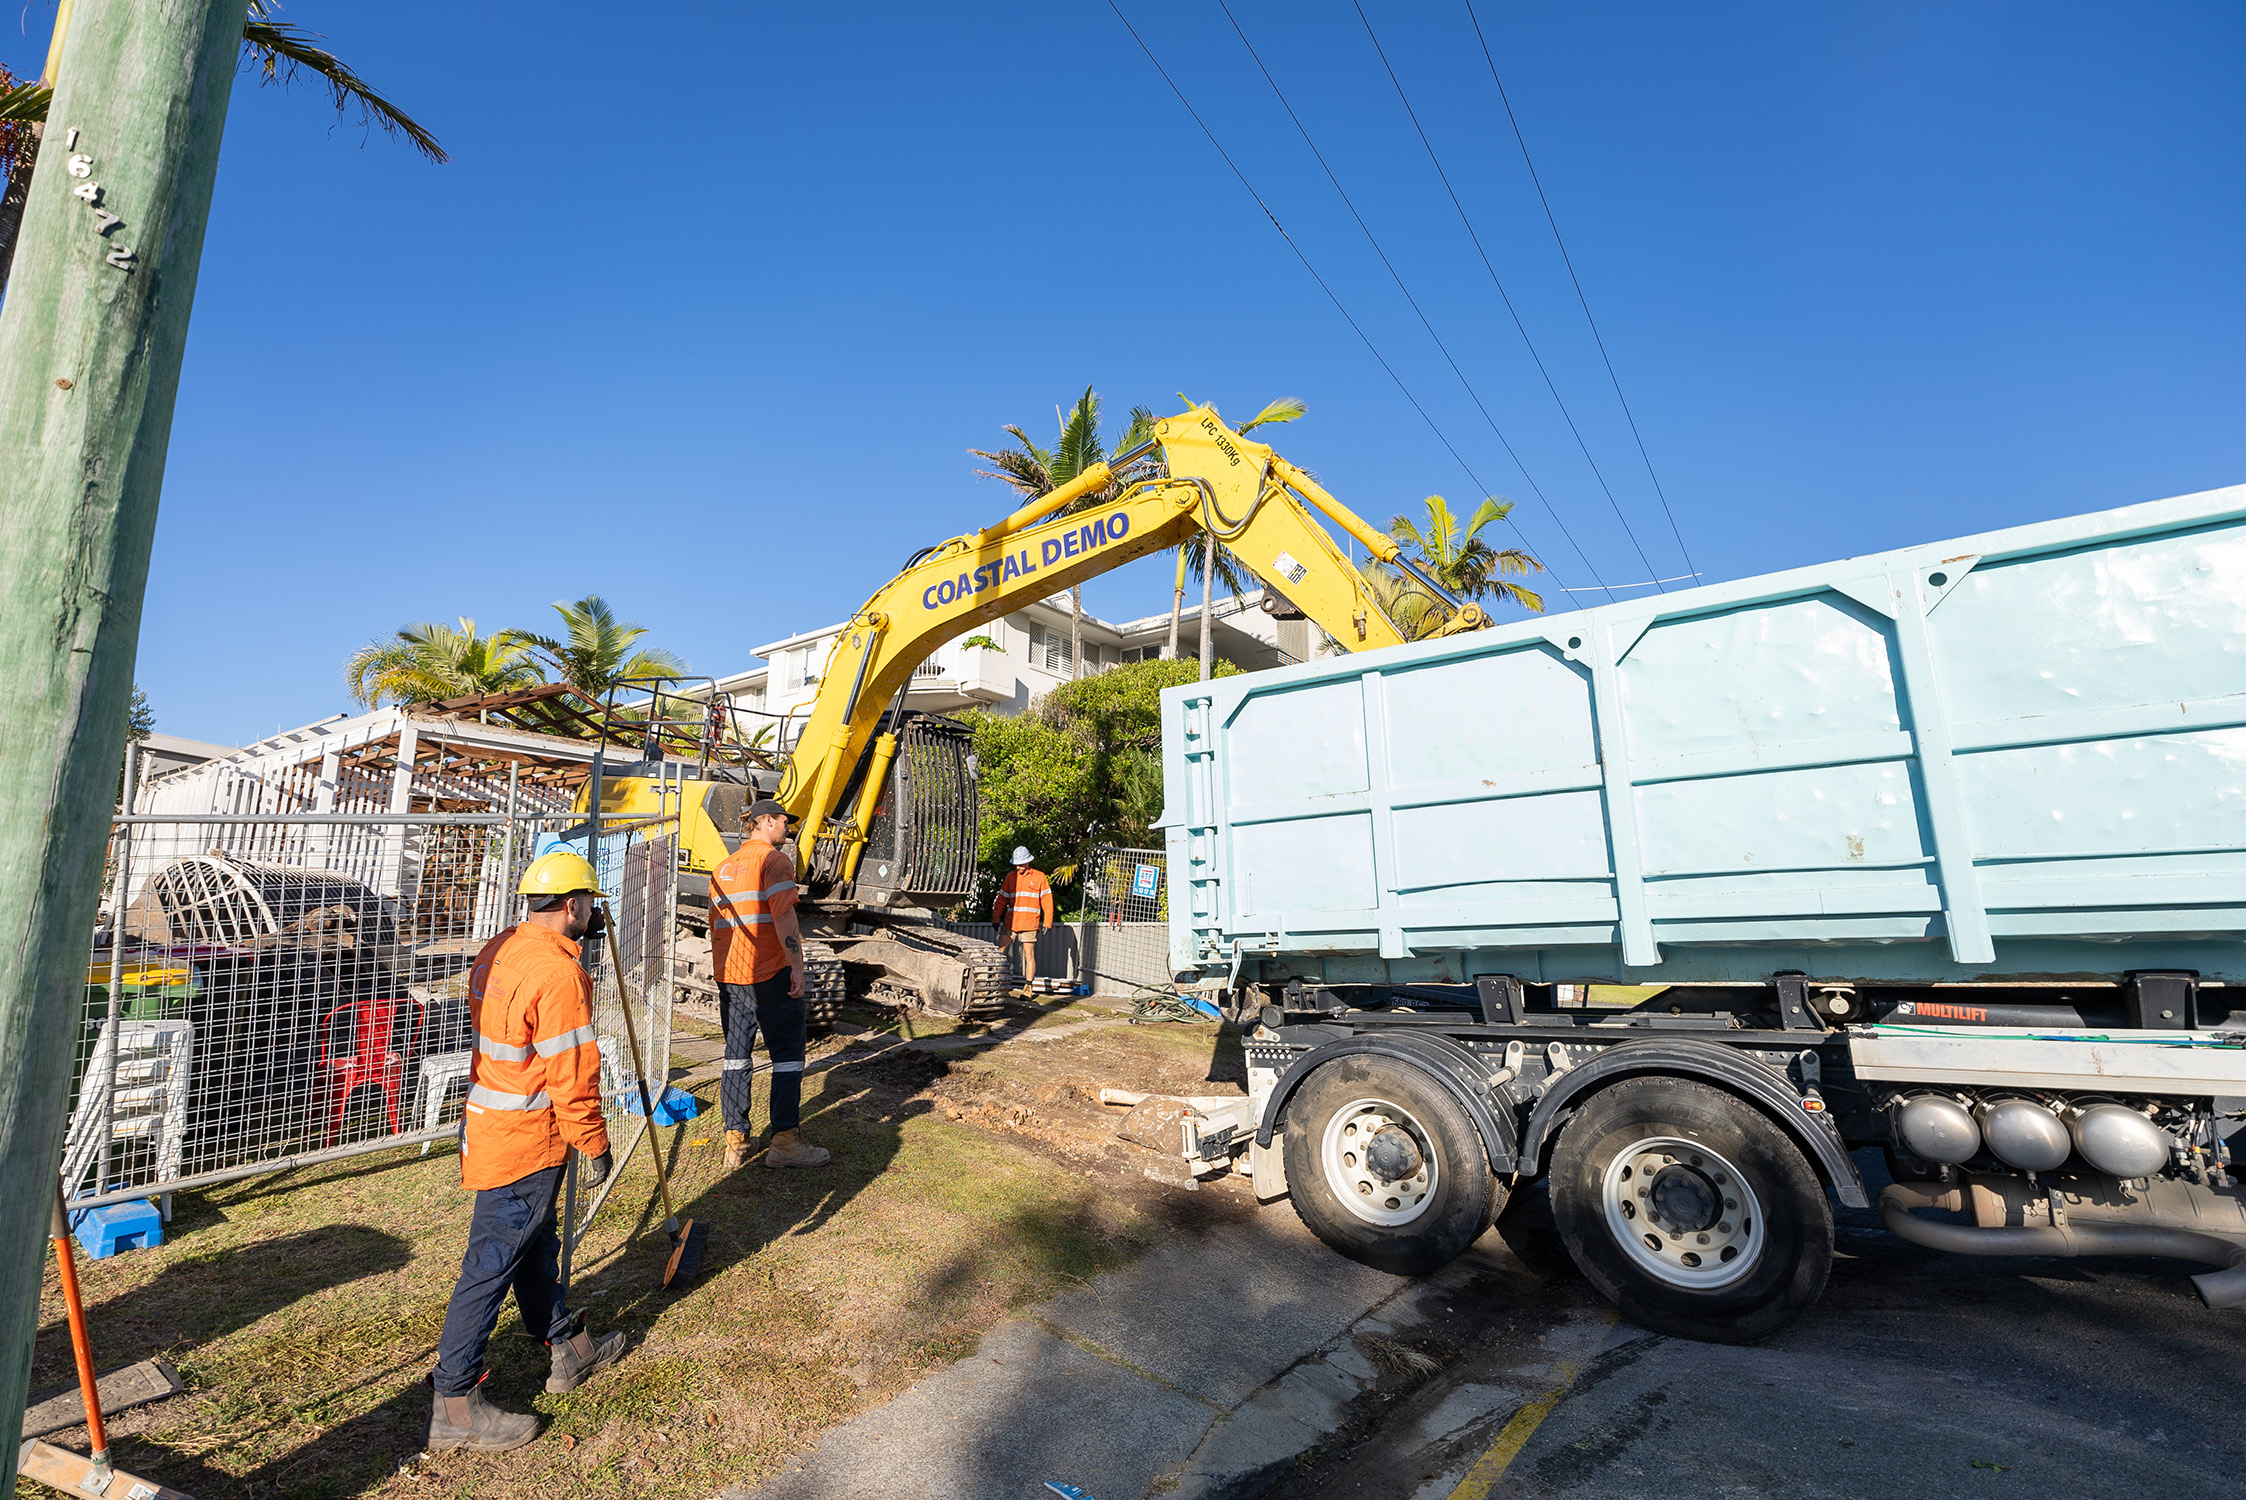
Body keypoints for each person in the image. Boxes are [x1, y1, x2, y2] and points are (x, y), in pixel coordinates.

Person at [427, 849, 627, 1452]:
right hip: (527, 1140)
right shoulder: (560, 975)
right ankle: (455, 1405)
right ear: (572, 906)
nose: (593, 914)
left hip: (490, 1121)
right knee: (491, 1264)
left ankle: (565, 1342)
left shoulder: (498, 951)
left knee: (536, 1241)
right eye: (589, 905)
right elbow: (570, 1071)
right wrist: (592, 1142)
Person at [710, 799, 829, 1171]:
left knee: (735, 1056)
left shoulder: (723, 866)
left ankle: (736, 1140)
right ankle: (785, 1141)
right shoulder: (775, 861)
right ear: (765, 823)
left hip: (732, 975)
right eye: (783, 821)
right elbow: (784, 916)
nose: (788, 828)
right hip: (769, 972)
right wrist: (797, 966)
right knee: (788, 1058)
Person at [992, 846, 1054, 997]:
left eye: (1020, 864)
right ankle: (996, 984)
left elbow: (1047, 900)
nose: (1018, 867)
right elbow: (1001, 899)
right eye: (1016, 864)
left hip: (1029, 923)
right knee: (999, 951)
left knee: (1029, 954)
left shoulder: (1040, 877)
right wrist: (995, 917)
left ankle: (1028, 988)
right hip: (1010, 922)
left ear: (1027, 862)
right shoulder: (1010, 877)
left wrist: (1048, 922)